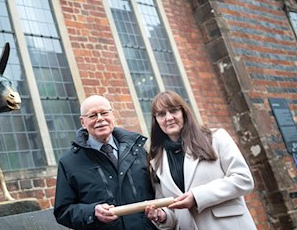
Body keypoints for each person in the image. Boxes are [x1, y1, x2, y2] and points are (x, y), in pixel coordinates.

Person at [144, 91, 256, 229]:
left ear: (184, 112)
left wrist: (196, 197)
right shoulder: (156, 161)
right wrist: (162, 216)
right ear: (156, 120)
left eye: (173, 111)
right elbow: (171, 211)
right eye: (161, 114)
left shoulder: (216, 138)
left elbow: (243, 179)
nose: (169, 118)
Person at [53, 95, 157, 230]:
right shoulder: (69, 163)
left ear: (112, 115)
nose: (100, 119)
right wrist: (92, 212)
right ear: (83, 122)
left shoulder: (137, 151)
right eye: (92, 116)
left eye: (104, 113)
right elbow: (63, 211)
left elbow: (156, 192)